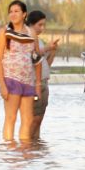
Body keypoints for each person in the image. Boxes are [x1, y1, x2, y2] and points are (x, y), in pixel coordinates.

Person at [0, 0, 42, 141]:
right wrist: (2, 85)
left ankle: (24, 152)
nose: (13, 14)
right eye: (11, 11)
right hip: (11, 79)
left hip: (28, 81)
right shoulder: (4, 32)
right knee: (11, 117)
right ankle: (9, 152)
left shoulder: (31, 33)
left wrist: (38, 84)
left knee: (28, 119)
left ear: (24, 14)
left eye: (16, 11)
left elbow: (37, 59)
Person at [26, 10, 59, 139]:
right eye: (40, 25)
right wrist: (47, 49)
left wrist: (53, 51)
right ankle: (26, 144)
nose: (42, 28)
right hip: (35, 83)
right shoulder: (28, 38)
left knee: (38, 120)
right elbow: (33, 55)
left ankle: (35, 146)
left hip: (44, 82)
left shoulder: (38, 41)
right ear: (31, 24)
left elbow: (46, 64)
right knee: (34, 119)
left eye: (43, 25)